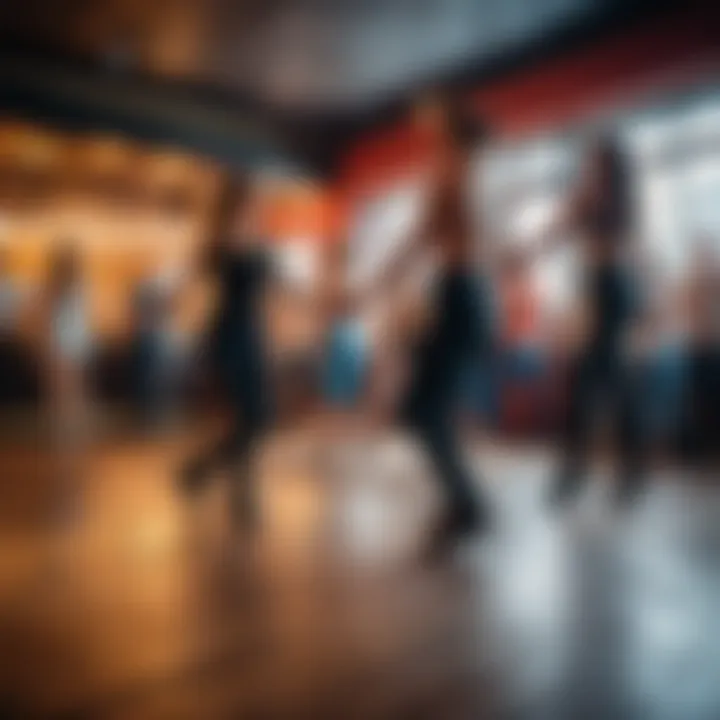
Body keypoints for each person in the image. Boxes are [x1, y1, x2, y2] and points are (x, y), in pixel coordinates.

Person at [362, 93, 496, 550]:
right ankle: (464, 503)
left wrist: (377, 282)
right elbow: (434, 241)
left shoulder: (451, 175)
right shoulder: (466, 175)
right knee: (424, 411)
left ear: (450, 135)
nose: (428, 136)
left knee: (422, 412)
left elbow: (417, 238)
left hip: (458, 300)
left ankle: (467, 504)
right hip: (462, 299)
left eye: (436, 129)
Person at [529, 134, 646, 506]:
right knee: (607, 381)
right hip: (612, 288)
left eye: (593, 162)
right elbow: (559, 231)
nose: (588, 168)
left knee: (589, 382)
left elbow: (556, 230)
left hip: (604, 290)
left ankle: (578, 472)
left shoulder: (594, 198)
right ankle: (617, 470)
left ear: (604, 167)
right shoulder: (618, 200)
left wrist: (529, 250)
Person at [178, 175, 274, 525]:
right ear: (238, 203)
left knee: (258, 418)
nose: (257, 208)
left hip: (252, 337)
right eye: (252, 202)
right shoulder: (220, 243)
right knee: (246, 417)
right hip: (228, 336)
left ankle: (202, 470)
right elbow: (192, 284)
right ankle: (242, 497)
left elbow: (279, 288)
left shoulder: (259, 244)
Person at [41, 242, 93, 520]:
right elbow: (54, 324)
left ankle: (68, 454)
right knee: (65, 403)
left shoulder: (72, 289)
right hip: (63, 348)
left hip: (68, 347)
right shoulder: (60, 290)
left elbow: (78, 323)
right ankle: (64, 454)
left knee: (68, 404)